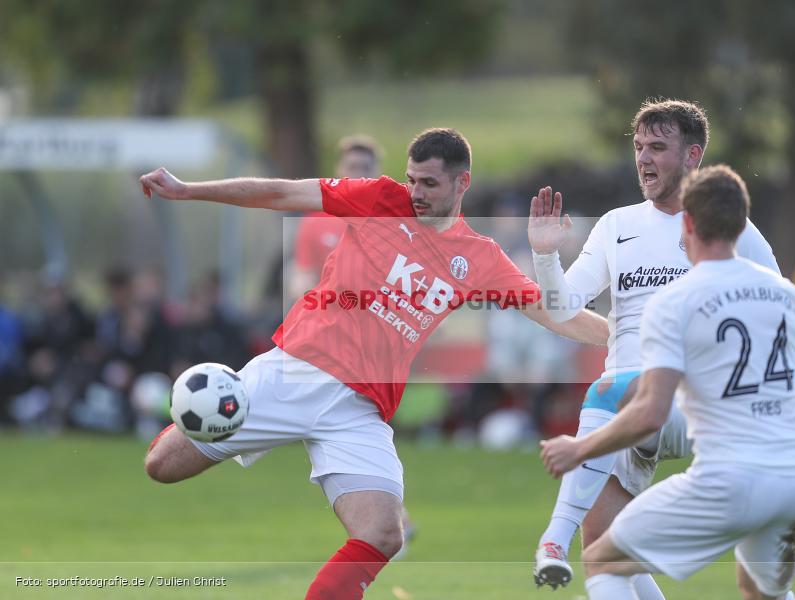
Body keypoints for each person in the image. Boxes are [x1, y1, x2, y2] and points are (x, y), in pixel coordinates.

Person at [139, 128, 610, 600]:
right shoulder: (381, 199)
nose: (416, 194)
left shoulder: (480, 258)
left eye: (430, 184)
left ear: (462, 183)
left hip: (358, 411)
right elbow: (282, 191)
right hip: (296, 371)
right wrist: (188, 190)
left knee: (383, 533)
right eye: (413, 181)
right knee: (161, 466)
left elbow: (555, 313)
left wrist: (639, 340)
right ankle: (211, 402)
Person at [527, 99, 795, 593]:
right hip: (658, 424)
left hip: (673, 408)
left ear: (692, 156)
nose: (643, 158)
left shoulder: (735, 234)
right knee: (611, 550)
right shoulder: (618, 224)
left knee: (606, 396)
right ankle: (561, 538)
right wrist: (545, 254)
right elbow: (559, 305)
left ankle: (552, 537)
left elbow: (777, 327)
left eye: (658, 147)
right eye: (638, 147)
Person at [289, 135, 383, 300]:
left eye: (365, 167)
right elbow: (303, 273)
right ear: (339, 170)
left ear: (377, 172)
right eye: (353, 167)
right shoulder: (315, 221)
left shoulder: (393, 221)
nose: (359, 174)